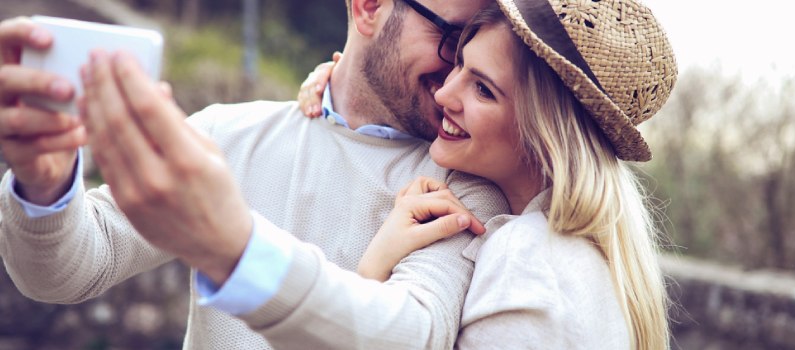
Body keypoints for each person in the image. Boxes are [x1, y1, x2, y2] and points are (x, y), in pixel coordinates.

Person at [0, 0, 511, 349]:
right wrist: (44, 182)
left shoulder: (467, 185)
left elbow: (413, 336)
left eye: (474, 49)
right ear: (370, 7)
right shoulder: (227, 132)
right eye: (450, 38)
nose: (459, 71)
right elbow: (66, 272)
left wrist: (233, 247)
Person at [301, 0, 677, 348]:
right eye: (459, 64)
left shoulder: (528, 263)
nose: (444, 94)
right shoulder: (573, 252)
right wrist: (343, 83)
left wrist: (370, 274)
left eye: (482, 89)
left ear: (545, 133)